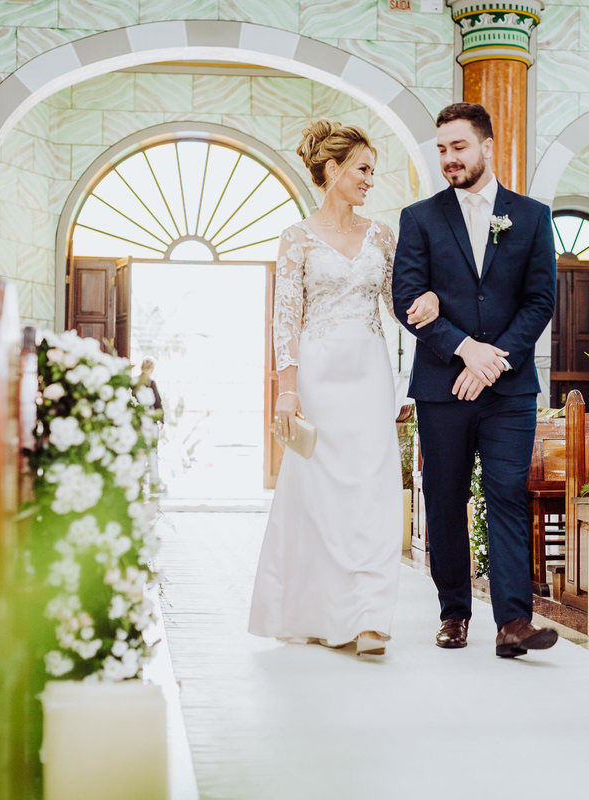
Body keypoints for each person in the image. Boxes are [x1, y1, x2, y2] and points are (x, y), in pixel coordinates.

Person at [249, 119, 441, 657]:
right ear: (331, 170)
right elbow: (284, 318)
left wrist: (428, 304)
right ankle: (325, 611)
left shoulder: (380, 235)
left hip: (369, 373)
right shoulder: (297, 239)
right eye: (361, 169)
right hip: (317, 373)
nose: (369, 180)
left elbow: (396, 300)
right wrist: (288, 390)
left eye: (372, 172)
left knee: (373, 488)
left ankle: (371, 618)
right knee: (322, 494)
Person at [392, 103, 559, 658]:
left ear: (487, 145)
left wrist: (497, 360)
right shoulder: (419, 218)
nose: (448, 159)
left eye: (458, 147)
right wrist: (467, 351)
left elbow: (540, 302)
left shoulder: (532, 216)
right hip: (443, 387)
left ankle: (514, 620)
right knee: (444, 498)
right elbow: (406, 300)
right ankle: (454, 612)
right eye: (441, 149)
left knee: (507, 493)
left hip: (510, 390)